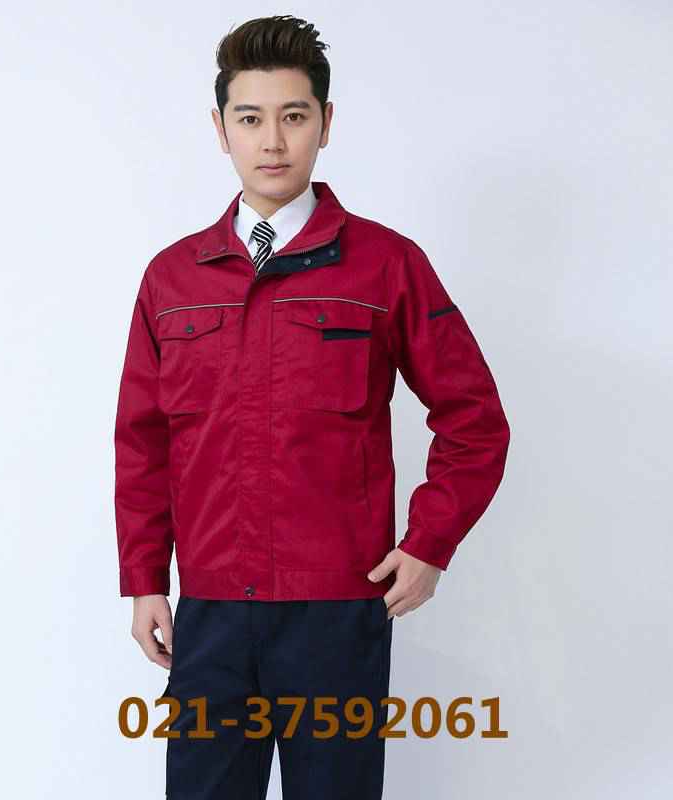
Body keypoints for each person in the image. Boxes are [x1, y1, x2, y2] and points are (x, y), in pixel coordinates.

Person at [113, 14, 510, 800]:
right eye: (249, 118)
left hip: (337, 611)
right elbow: (143, 441)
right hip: (212, 611)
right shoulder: (172, 280)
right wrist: (144, 578)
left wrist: (430, 543)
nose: (272, 141)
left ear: (325, 124)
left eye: (293, 117)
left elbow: (474, 417)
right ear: (220, 129)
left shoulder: (386, 266)